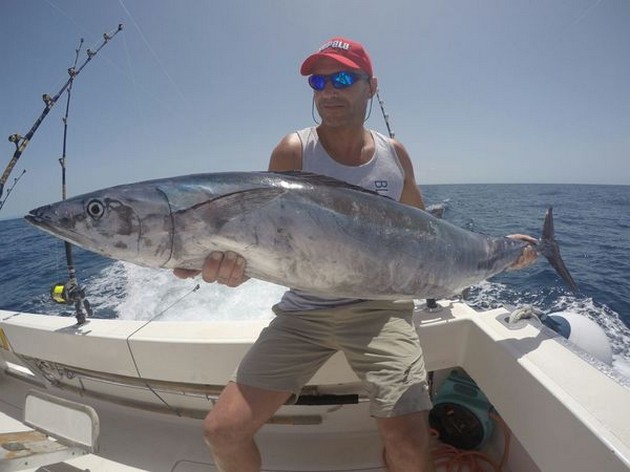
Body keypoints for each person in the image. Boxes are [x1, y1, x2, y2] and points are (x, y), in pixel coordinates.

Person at [174, 37, 537, 472]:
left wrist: (503, 249)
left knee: (407, 443)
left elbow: (424, 233)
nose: (328, 91)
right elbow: (270, 241)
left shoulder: (393, 155)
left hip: (381, 310)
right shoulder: (293, 151)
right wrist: (232, 267)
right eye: (318, 80)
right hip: (303, 314)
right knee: (222, 431)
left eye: (343, 78)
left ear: (372, 86)